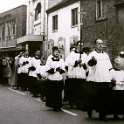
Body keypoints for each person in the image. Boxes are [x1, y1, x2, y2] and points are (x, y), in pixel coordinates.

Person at [65, 41, 87, 108]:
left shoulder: (85, 55)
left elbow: (87, 66)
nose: (81, 47)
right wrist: (76, 62)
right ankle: (72, 102)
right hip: (73, 75)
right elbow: (68, 63)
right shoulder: (72, 54)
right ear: (76, 46)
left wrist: (84, 64)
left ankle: (80, 103)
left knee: (81, 91)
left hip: (81, 75)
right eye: (79, 45)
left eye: (82, 45)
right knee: (73, 90)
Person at [45, 46, 65, 111]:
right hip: (52, 79)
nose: (57, 53)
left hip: (59, 78)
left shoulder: (61, 60)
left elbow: (63, 69)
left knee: (59, 93)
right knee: (53, 93)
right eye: (56, 52)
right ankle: (54, 106)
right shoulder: (49, 59)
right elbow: (47, 69)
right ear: (53, 52)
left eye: (58, 52)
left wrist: (61, 70)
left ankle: (59, 106)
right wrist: (55, 69)